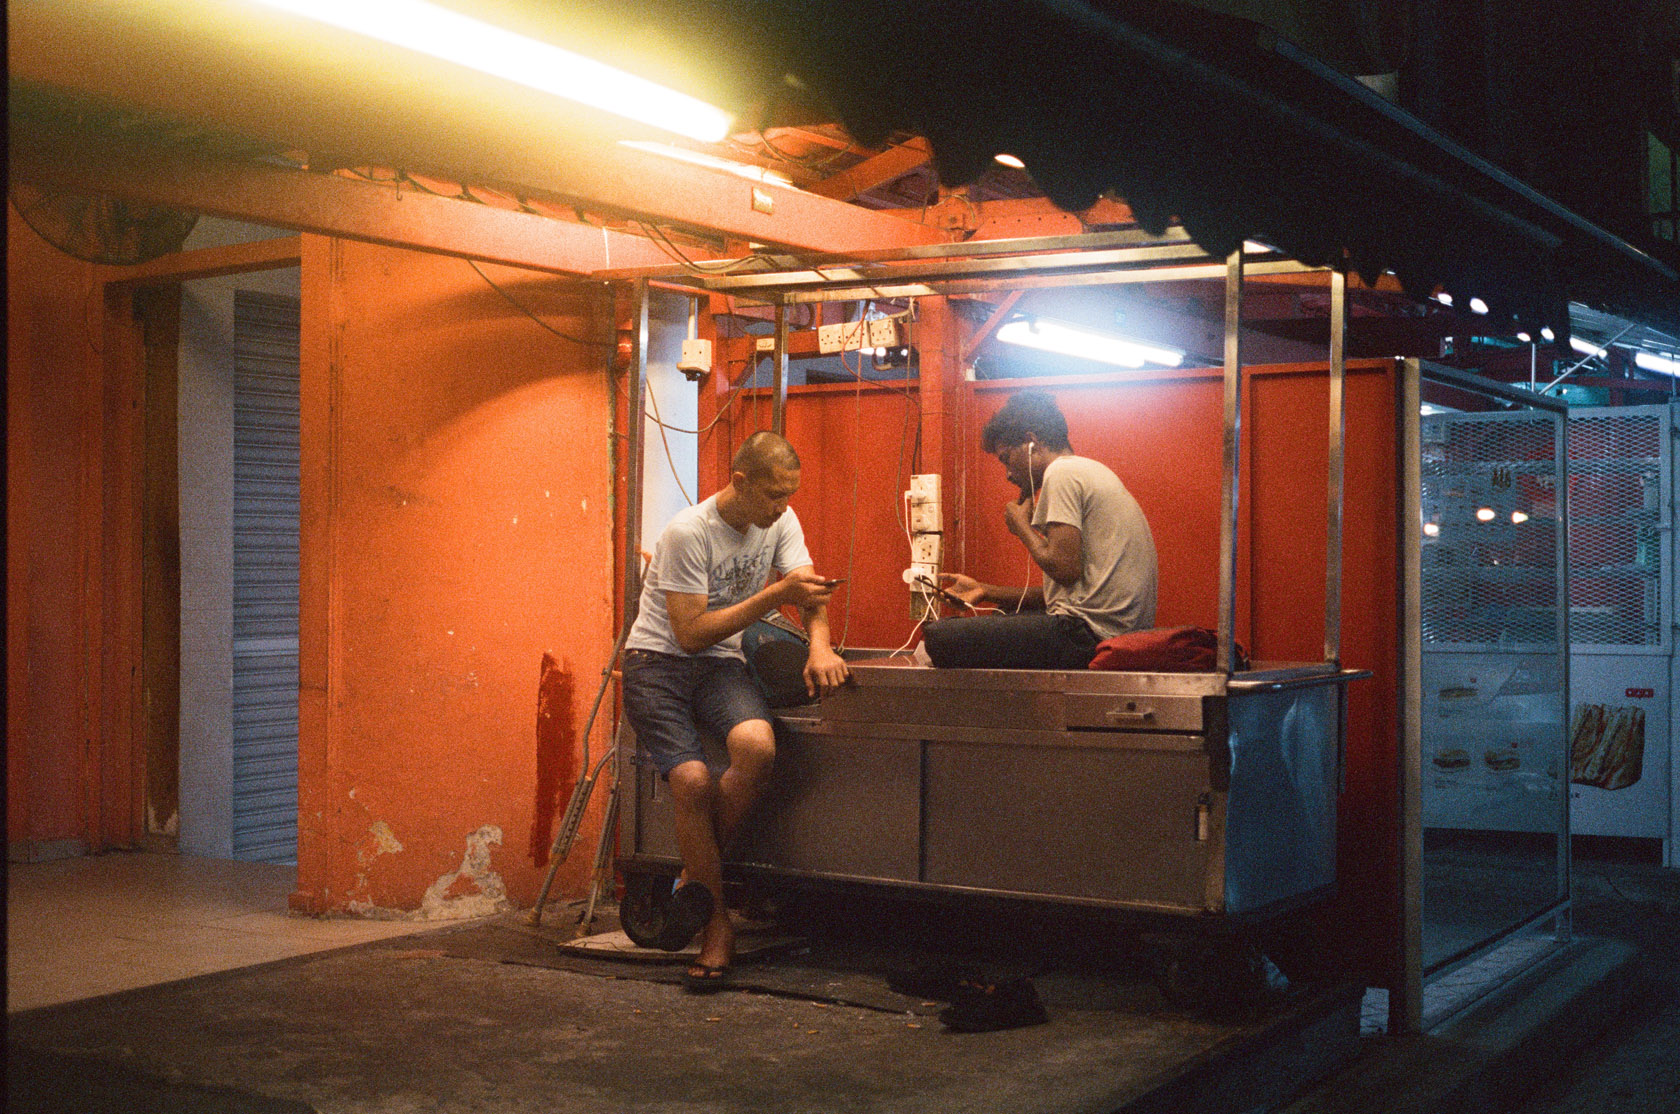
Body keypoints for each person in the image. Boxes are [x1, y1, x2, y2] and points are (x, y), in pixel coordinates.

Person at [620, 431, 849, 991]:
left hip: (720, 665)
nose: (782, 507)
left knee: (757, 747)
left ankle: (694, 882)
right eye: (773, 495)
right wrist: (774, 597)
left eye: (789, 495)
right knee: (693, 781)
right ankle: (717, 926)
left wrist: (820, 646)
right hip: (658, 663)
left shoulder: (780, 521)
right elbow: (691, 633)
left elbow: (809, 591)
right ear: (740, 483)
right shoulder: (687, 533)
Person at [933, 390, 1157, 669]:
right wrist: (984, 590)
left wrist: (1022, 527)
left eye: (1006, 458)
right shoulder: (1088, 470)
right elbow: (1067, 591)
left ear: (1031, 442)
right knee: (1003, 614)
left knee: (939, 637)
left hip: (1087, 637)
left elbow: (1064, 569)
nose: (1008, 474)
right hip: (1104, 630)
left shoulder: (1061, 474)